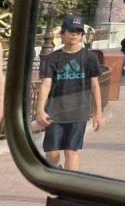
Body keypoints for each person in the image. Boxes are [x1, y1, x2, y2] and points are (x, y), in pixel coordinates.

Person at [35, 14, 104, 171]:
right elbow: (46, 84)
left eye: (78, 32)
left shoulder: (89, 57)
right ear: (62, 34)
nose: (74, 35)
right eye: (71, 31)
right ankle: (56, 175)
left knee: (71, 151)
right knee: (52, 153)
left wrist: (98, 113)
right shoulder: (54, 57)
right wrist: (40, 110)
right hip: (55, 112)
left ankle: (69, 183)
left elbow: (95, 85)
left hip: (78, 112)